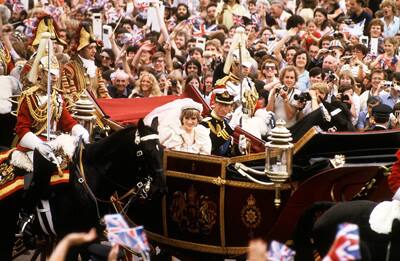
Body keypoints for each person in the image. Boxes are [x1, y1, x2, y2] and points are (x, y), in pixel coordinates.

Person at [15, 33, 89, 231]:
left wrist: (79, 130)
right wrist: (38, 144)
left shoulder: (57, 97)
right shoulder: (27, 98)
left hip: (56, 143)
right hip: (33, 145)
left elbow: (67, 121)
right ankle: (27, 212)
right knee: (44, 165)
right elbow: (22, 129)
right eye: (50, 73)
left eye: (56, 74)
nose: (54, 78)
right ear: (42, 73)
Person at [61, 22, 110, 108]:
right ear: (81, 49)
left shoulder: (96, 69)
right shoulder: (69, 68)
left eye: (95, 47)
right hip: (79, 112)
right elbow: (69, 96)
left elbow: (104, 94)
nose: (94, 51)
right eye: (90, 48)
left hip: (98, 113)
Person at [201, 89, 235, 156]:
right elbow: (212, 145)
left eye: (226, 106)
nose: (222, 108)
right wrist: (229, 130)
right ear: (214, 103)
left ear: (231, 107)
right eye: (220, 104)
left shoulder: (225, 122)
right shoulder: (205, 123)